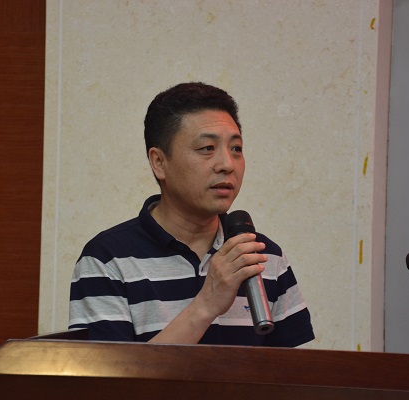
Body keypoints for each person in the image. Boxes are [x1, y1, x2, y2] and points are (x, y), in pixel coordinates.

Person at [69, 82, 314, 347]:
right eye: (207, 148)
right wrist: (206, 305)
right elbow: (109, 374)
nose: (227, 165)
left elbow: (293, 372)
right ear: (159, 162)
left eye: (236, 149)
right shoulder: (107, 260)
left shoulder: (265, 258)